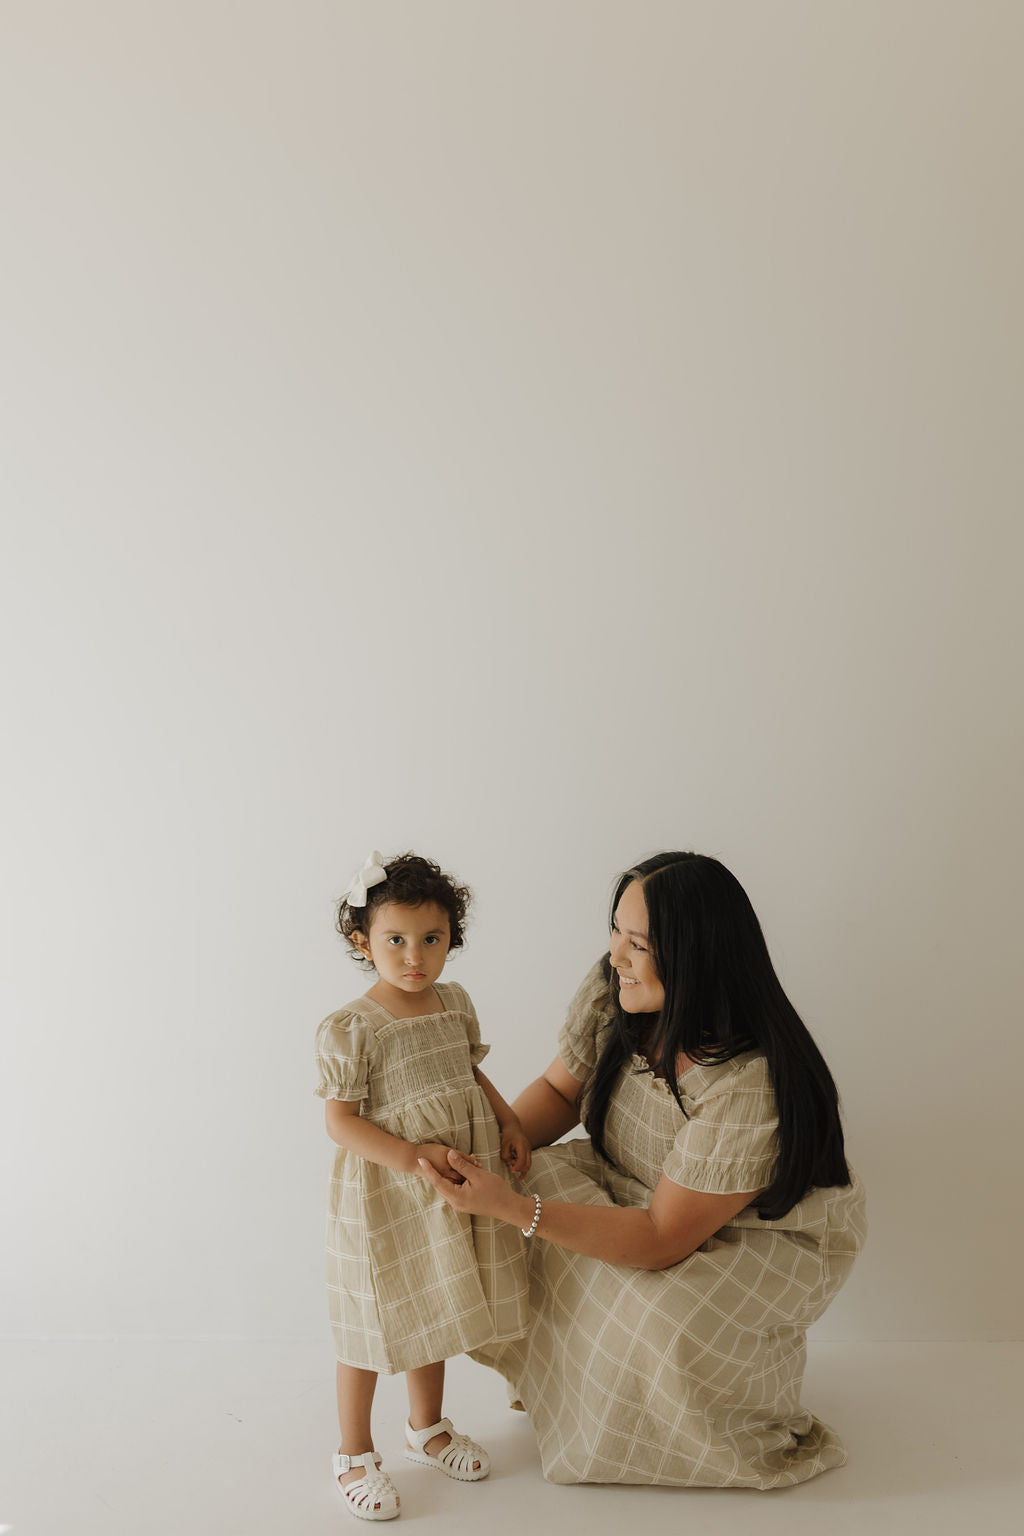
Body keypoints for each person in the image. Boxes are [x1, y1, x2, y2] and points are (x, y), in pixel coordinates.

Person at [417, 852, 867, 1489]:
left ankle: (677, 1429)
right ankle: (566, 1394)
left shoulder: (747, 1082)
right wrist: (484, 1156)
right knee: (526, 1192)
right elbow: (559, 1089)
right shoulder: (619, 990)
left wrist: (513, 1210)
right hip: (631, 1186)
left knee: (654, 1312)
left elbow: (659, 1239)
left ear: (696, 955)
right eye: (614, 932)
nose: (616, 955)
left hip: (739, 1237)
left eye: (638, 943)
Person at [314, 851, 531, 1521]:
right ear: (363, 942)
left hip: (446, 1189)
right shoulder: (354, 1028)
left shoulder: (453, 1003)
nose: (415, 956)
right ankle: (353, 1452)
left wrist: (508, 1116)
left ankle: (427, 1427)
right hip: (387, 1196)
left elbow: (469, 1071)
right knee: (374, 1322)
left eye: (431, 939)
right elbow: (341, 1124)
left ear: (450, 939)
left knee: (432, 1306)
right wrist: (410, 1158)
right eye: (396, 940)